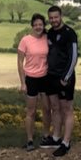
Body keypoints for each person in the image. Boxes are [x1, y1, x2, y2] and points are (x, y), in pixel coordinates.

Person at [41, 4, 78, 157]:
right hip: (51, 76)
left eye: (56, 17)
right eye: (51, 18)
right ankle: (56, 137)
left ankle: (66, 142)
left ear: (61, 16)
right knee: (55, 107)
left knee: (66, 109)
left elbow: (74, 56)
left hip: (65, 78)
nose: (53, 20)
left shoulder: (70, 33)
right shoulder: (49, 33)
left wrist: (66, 77)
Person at [16, 13, 51, 151]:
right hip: (30, 79)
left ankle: (46, 136)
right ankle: (30, 140)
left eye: (40, 25)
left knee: (47, 109)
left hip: (45, 78)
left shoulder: (47, 39)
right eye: (36, 25)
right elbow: (19, 62)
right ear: (32, 26)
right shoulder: (25, 40)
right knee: (31, 111)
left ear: (44, 26)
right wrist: (22, 82)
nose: (38, 27)